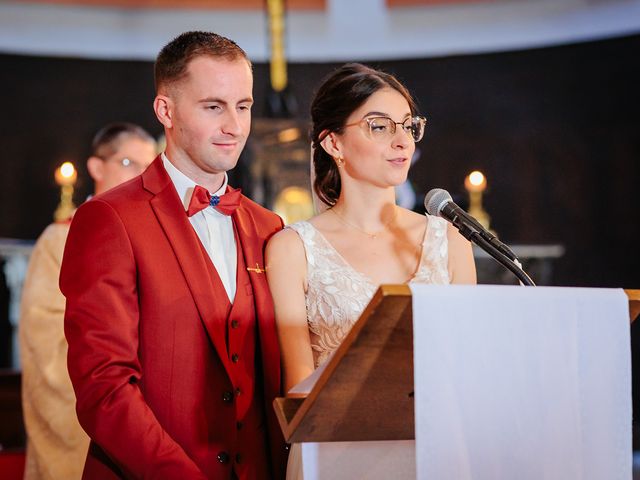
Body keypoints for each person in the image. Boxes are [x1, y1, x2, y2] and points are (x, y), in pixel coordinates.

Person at [59, 31, 286, 479]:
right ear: (166, 110)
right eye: (213, 106)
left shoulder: (269, 227)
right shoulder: (109, 218)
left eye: (243, 106)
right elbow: (104, 389)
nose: (235, 126)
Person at [266, 63, 477, 478]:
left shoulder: (449, 239)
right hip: (337, 455)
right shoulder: (293, 248)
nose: (402, 141)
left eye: (408, 125)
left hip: (438, 451)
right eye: (379, 126)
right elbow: (297, 389)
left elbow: (467, 366)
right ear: (333, 143)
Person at [19, 122, 156, 480]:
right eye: (129, 163)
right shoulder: (59, 238)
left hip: (147, 400)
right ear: (97, 168)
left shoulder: (152, 234)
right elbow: (45, 330)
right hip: (93, 393)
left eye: (150, 165)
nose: (141, 175)